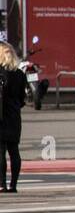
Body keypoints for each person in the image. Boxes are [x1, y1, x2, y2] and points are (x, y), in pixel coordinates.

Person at [0, 42, 26, 193]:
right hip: (14, 116)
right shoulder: (20, 74)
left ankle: (2, 184)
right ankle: (14, 184)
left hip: (1, 116)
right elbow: (22, 98)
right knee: (14, 151)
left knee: (1, 151)